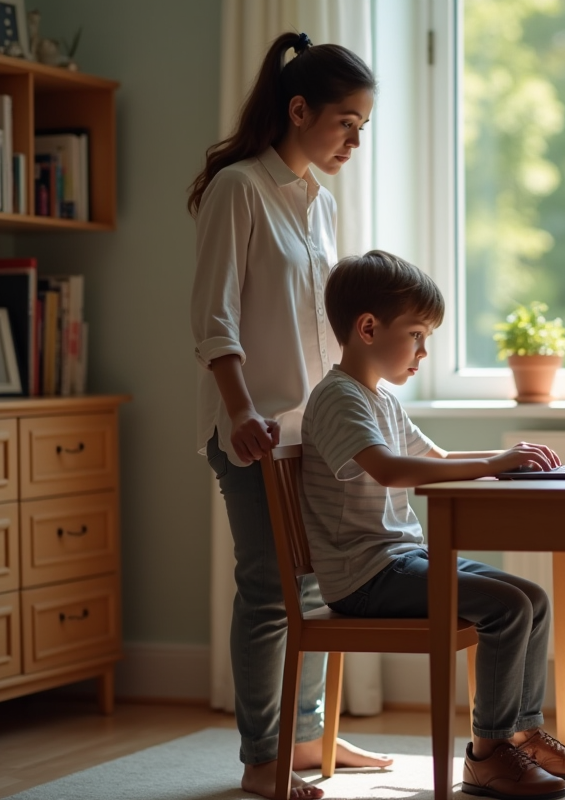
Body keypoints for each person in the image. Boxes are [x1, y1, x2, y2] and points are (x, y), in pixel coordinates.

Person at [300, 250, 565, 800]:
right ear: (368, 328)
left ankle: (522, 733)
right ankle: (487, 756)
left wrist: (507, 462)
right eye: (416, 335)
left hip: (399, 562)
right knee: (507, 608)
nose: (423, 351)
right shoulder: (337, 398)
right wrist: (494, 463)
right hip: (364, 578)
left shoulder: (382, 400)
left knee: (530, 597)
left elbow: (436, 458)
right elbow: (391, 469)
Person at [188, 31, 392, 800]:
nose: (354, 139)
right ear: (298, 108)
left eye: (363, 128)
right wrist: (240, 412)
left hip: (315, 429)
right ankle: (261, 758)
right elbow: (215, 318)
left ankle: (307, 740)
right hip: (253, 431)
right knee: (270, 589)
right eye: (346, 121)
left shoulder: (320, 203)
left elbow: (325, 324)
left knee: (314, 593)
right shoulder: (238, 189)